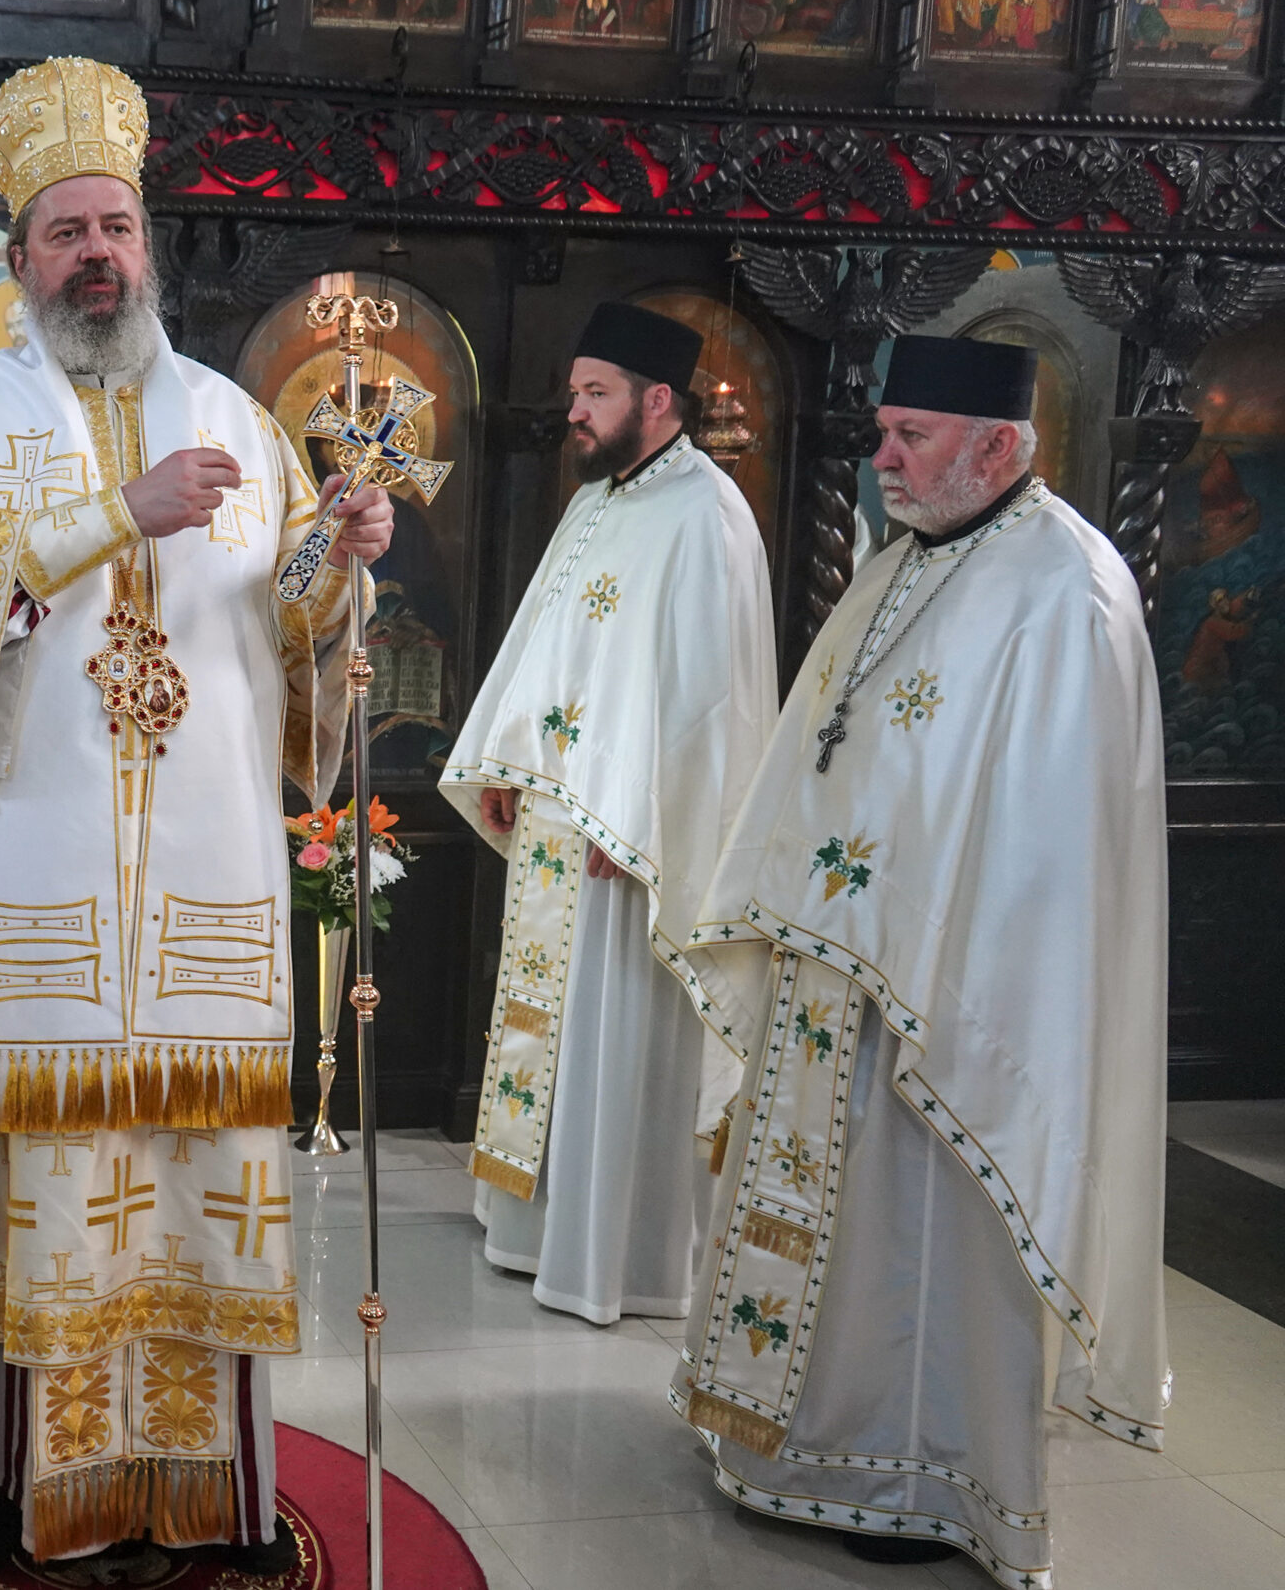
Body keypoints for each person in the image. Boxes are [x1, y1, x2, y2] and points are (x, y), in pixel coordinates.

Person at [0, 56, 395, 1579]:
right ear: (20, 256)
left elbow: (288, 627)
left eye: (116, 225)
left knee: (192, 1193)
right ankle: (21, 1491)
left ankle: (202, 1495)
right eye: (66, 232)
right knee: (50, 1193)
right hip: (34, 886)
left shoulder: (236, 417)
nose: (97, 253)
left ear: (148, 242)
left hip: (204, 896)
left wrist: (341, 558)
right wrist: (120, 512)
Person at [671, 335, 1168, 1581]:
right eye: (882, 433)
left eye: (912, 437)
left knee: (920, 1244)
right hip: (832, 963)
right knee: (829, 1227)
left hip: (949, 994)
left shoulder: (1068, 586)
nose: (882, 459)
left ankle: (915, 1478)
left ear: (996, 446)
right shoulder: (898, 562)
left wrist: (927, 949)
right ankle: (788, 1445)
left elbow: (1054, 839)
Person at [442, 302, 774, 1325]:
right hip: (557, 821)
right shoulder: (596, 501)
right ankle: (533, 1230)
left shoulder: (707, 514)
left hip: (628, 841)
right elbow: (547, 645)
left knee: (612, 1041)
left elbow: (709, 697)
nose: (574, 411)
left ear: (656, 398)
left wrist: (640, 823)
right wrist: (508, 760)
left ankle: (616, 1256)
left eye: (595, 393)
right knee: (548, 1035)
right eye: (576, 391)